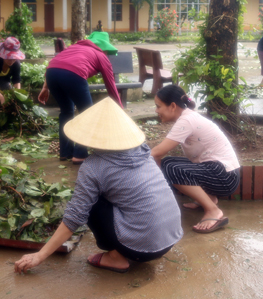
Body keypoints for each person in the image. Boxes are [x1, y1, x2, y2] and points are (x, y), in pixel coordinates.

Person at [14, 98, 183, 274]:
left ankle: (116, 258)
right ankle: (139, 244)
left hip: (140, 250)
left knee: (91, 202)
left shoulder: (94, 166)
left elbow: (75, 216)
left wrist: (39, 255)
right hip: (169, 240)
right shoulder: (143, 150)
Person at [150, 85, 240, 234]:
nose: (156, 111)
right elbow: (159, 155)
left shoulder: (186, 120)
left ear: (172, 106)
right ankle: (209, 199)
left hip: (225, 176)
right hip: (221, 172)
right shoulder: (188, 117)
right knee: (168, 163)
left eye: (158, 106)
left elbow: (158, 151)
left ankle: (213, 211)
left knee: (171, 168)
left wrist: (132, 160)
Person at [37, 31, 122, 164]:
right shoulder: (101, 55)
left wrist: (45, 87)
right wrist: (120, 110)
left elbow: (57, 63)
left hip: (51, 74)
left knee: (66, 112)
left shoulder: (74, 47)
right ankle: (80, 154)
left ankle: (65, 153)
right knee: (88, 113)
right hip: (73, 75)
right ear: (104, 48)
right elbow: (111, 87)